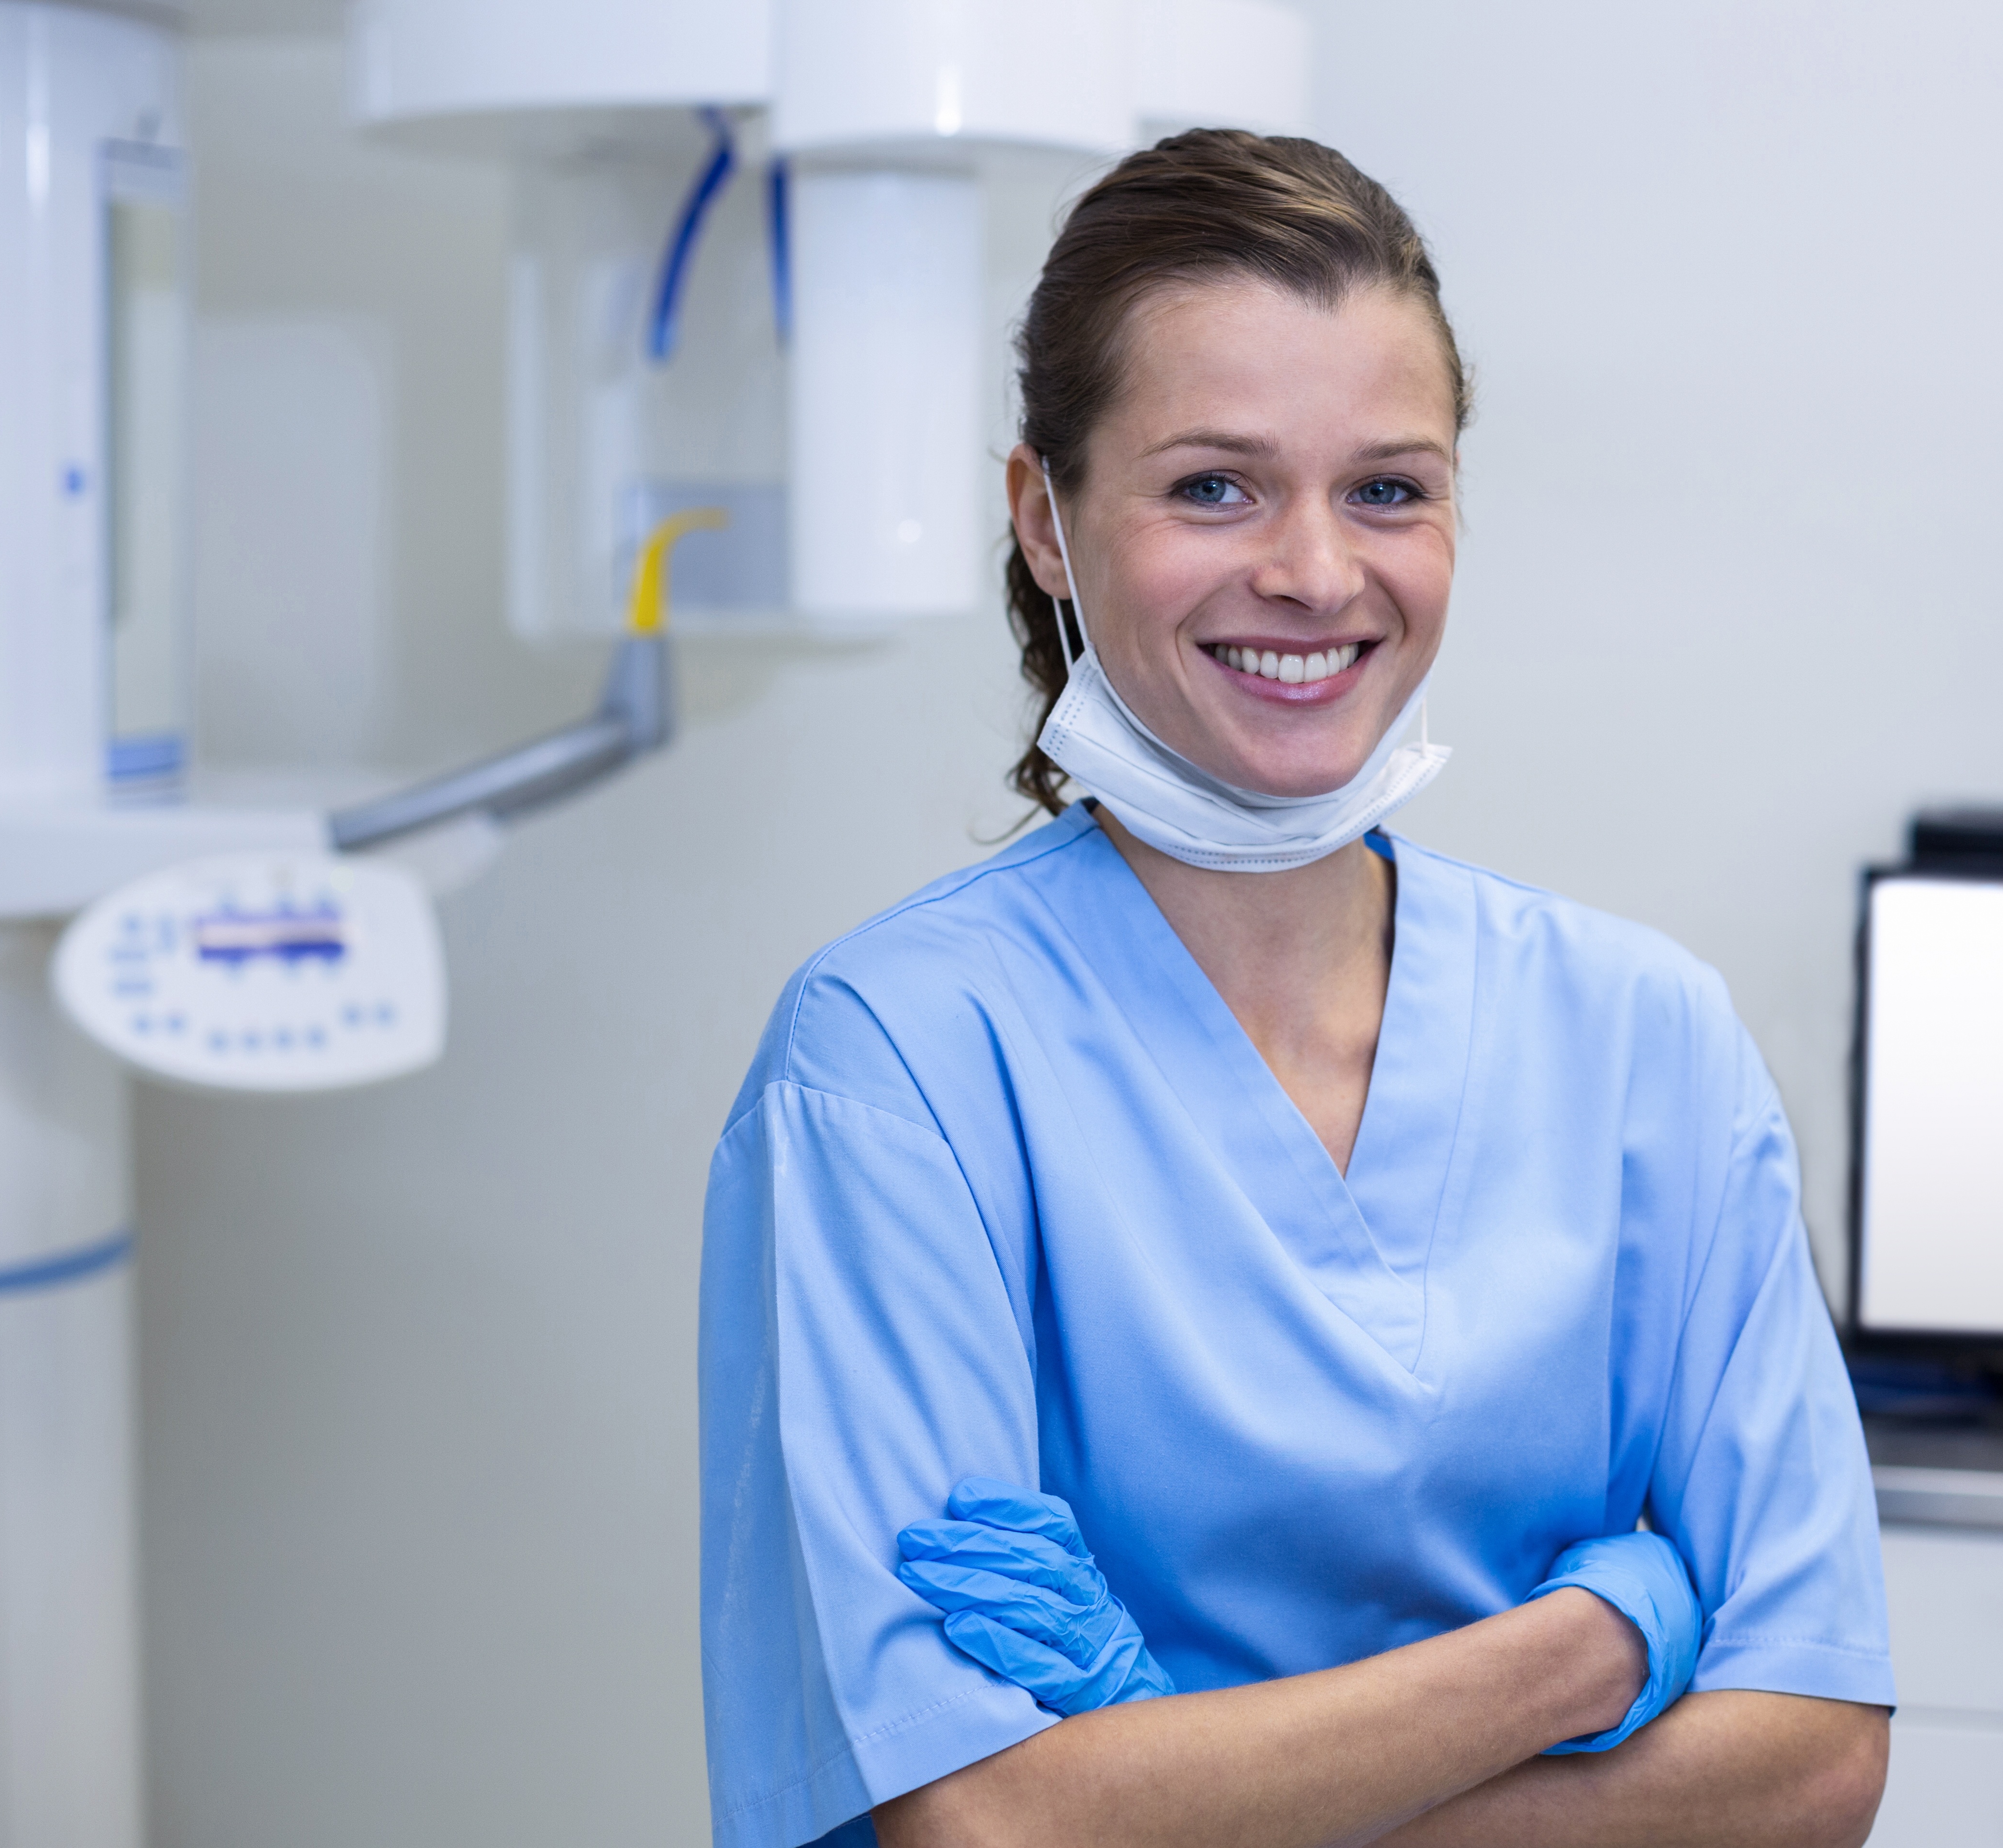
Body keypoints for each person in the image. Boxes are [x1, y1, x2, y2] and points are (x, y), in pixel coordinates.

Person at [701, 129, 1893, 1848]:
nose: (1319, 575)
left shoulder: (1647, 1043)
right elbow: (988, 1824)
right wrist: (1586, 1647)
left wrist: (1180, 1792)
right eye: (1213, 486)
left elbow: (1816, 1764)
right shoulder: (898, 1065)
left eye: (1388, 489)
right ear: (1045, 517)